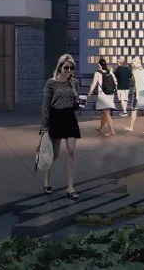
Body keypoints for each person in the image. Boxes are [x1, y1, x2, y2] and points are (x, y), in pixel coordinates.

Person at [40, 54, 82, 199]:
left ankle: (70, 187)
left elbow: (75, 101)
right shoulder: (51, 83)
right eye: (66, 67)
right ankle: (47, 180)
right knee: (55, 154)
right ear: (59, 67)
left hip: (69, 117)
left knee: (71, 151)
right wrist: (44, 125)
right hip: (56, 117)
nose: (69, 70)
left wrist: (79, 102)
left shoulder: (74, 82)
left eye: (71, 68)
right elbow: (45, 105)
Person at [87, 58, 118, 136]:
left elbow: (94, 84)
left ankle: (112, 131)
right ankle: (101, 128)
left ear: (99, 65)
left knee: (106, 112)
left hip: (103, 94)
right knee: (104, 112)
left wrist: (90, 93)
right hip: (110, 94)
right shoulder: (110, 71)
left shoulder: (98, 73)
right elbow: (115, 82)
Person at [125, 58, 144, 135]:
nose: (132, 65)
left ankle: (131, 127)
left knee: (134, 110)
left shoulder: (135, 72)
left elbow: (137, 84)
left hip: (138, 92)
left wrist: (137, 95)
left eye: (132, 63)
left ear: (136, 63)